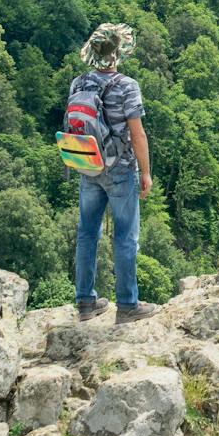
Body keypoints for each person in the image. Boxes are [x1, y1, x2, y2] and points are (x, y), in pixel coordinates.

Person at [70, 22, 158, 323]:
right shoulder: (126, 86)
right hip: (120, 169)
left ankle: (85, 302)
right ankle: (127, 306)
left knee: (86, 233)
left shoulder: (78, 84)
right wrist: (146, 173)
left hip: (89, 166)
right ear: (117, 53)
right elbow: (138, 135)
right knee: (125, 237)